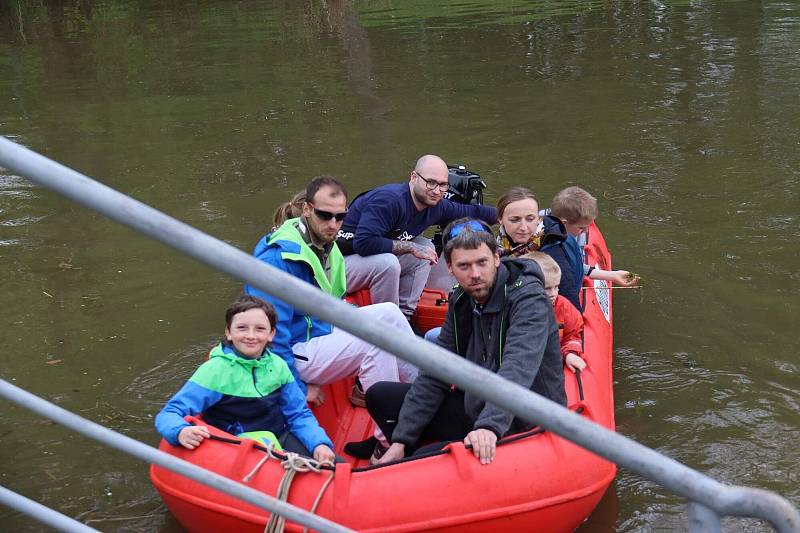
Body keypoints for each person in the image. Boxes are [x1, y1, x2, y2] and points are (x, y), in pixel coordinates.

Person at [348, 218, 566, 465]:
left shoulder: (528, 300)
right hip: (475, 404)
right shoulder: (462, 299)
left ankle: (417, 458)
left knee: (419, 462)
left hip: (520, 418)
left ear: (496, 258)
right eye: (464, 266)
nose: (475, 274)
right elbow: (438, 370)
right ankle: (397, 448)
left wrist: (489, 426)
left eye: (482, 263)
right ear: (449, 268)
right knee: (379, 396)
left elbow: (517, 368)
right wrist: (402, 439)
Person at [244, 176, 417, 438]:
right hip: (294, 348)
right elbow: (269, 338)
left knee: (389, 314)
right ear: (307, 210)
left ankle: (426, 394)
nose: (333, 224)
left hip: (319, 330)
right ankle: (389, 438)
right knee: (374, 343)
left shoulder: (326, 246)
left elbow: (332, 303)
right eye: (325, 216)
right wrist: (298, 389)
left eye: (340, 217)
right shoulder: (278, 260)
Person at [155, 296, 336, 463]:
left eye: (260, 329)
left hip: (278, 438)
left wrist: (318, 443)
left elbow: (298, 414)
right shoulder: (214, 371)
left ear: (271, 334)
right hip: (234, 449)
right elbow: (170, 413)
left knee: (333, 467)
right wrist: (179, 431)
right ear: (229, 333)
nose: (251, 336)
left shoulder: (279, 366)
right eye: (242, 328)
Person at [336, 155, 497, 320]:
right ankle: (388, 326)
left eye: (443, 185)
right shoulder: (390, 201)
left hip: (366, 262)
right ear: (414, 177)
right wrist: (411, 248)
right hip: (336, 266)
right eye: (431, 182)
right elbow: (363, 243)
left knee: (426, 248)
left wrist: (508, 215)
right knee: (389, 263)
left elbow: (472, 211)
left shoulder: (435, 205)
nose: (436, 191)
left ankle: (405, 318)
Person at [522, 252, 586, 373]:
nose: (553, 294)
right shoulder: (515, 309)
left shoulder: (563, 307)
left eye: (556, 287)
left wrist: (569, 353)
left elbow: (573, 334)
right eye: (547, 288)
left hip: (551, 365)